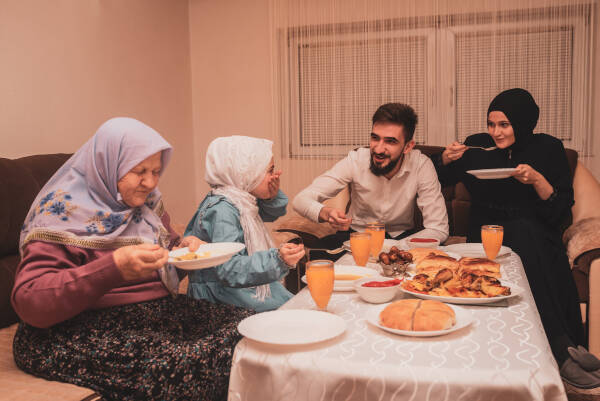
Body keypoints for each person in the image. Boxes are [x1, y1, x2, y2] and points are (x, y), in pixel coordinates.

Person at [11, 117, 253, 400]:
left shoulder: (145, 207)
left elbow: (166, 254)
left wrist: (185, 249)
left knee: (248, 327)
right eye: (140, 171)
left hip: (151, 314)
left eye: (156, 171)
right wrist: (112, 268)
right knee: (185, 363)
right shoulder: (61, 216)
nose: (150, 182)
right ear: (108, 164)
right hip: (75, 327)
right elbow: (29, 302)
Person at [435, 88, 600, 389]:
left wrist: (537, 179)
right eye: (491, 124)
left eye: (504, 125)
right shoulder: (477, 146)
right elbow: (437, 181)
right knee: (514, 233)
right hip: (486, 233)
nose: (495, 132)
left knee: (525, 233)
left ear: (522, 123)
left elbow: (560, 208)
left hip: (536, 233)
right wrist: (445, 159)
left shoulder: (548, 148)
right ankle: (563, 351)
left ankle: (562, 348)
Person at [293, 102, 449, 253]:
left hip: (401, 239)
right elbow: (300, 200)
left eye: (390, 141)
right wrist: (325, 212)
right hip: (356, 236)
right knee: (320, 255)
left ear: (408, 146)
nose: (379, 149)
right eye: (375, 138)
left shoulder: (421, 165)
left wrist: (394, 249)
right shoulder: (356, 160)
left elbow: (438, 228)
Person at [184, 136, 304, 312]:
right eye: (270, 170)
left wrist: (272, 196)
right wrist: (277, 260)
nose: (275, 175)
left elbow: (270, 213)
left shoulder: (241, 200)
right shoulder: (222, 211)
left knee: (299, 309)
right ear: (247, 174)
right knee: (296, 314)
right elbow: (229, 269)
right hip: (222, 299)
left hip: (240, 288)